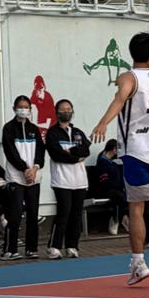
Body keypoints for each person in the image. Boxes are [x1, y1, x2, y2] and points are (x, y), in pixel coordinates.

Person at [92, 33, 149, 287]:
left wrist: (103, 122)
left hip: (135, 150)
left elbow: (120, 99)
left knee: (136, 208)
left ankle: (139, 263)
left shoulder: (128, 77)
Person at [0, 95, 45, 261]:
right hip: (16, 177)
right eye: (20, 106)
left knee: (33, 214)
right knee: (15, 214)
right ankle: (9, 250)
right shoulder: (8, 128)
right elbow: (10, 152)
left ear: (30, 109)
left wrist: (35, 168)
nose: (23, 110)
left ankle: (31, 249)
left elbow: (40, 151)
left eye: (26, 107)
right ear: (14, 108)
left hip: (34, 178)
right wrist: (24, 169)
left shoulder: (34, 129)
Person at [45, 99, 91, 259]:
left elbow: (86, 150)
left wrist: (71, 152)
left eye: (68, 109)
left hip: (79, 181)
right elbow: (56, 154)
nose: (66, 112)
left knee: (76, 215)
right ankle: (54, 246)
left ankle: (72, 246)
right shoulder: (52, 133)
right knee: (63, 213)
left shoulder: (77, 132)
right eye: (63, 109)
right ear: (57, 112)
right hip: (61, 181)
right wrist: (75, 157)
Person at [93, 140, 128, 235]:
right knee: (119, 197)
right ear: (114, 149)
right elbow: (104, 181)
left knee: (125, 196)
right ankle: (117, 219)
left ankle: (121, 218)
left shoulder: (114, 163)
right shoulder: (102, 162)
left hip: (115, 190)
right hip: (105, 190)